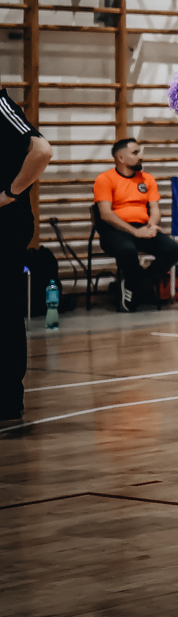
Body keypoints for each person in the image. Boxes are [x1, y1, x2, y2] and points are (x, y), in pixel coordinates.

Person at [0, 88, 50, 423]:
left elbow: (42, 150)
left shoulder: (1, 105)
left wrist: (10, 193)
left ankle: (7, 399)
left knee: (5, 310)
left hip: (6, 226)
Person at [93, 137, 178, 313]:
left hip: (142, 228)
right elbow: (105, 214)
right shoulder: (105, 179)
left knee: (173, 250)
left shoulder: (147, 179)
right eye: (135, 153)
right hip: (116, 230)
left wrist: (151, 225)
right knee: (127, 250)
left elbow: (155, 209)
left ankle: (137, 283)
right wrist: (134, 232)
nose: (140, 156)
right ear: (120, 157)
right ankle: (138, 289)